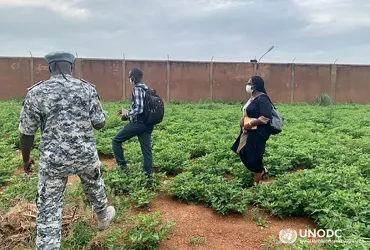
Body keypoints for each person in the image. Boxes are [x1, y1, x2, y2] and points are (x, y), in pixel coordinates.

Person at [18, 51, 115, 250]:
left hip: (54, 160)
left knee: (49, 206)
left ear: (49, 68)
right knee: (94, 184)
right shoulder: (86, 89)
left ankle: (47, 246)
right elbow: (99, 124)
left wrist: (26, 159)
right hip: (84, 154)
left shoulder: (37, 92)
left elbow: (26, 133)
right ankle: (103, 216)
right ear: (71, 67)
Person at [112, 68, 154, 178]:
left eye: (130, 76)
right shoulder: (147, 89)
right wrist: (126, 111)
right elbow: (143, 109)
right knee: (147, 150)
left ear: (134, 77)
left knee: (116, 141)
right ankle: (148, 175)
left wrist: (126, 115)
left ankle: (122, 168)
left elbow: (139, 109)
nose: (129, 78)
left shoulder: (137, 89)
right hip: (148, 123)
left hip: (138, 124)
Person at [231, 76, 273, 185]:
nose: (248, 85)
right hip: (247, 131)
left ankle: (257, 184)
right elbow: (249, 113)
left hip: (258, 133)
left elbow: (266, 117)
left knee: (255, 156)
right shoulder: (252, 98)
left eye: (250, 83)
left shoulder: (263, 98)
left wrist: (250, 123)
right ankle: (262, 170)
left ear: (255, 86)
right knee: (241, 151)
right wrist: (243, 122)